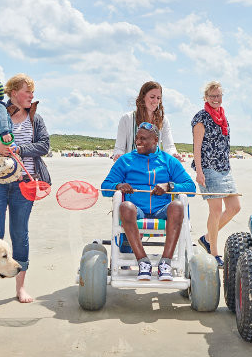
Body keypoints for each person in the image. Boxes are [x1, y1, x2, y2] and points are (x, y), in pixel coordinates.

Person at [0, 73, 51, 303]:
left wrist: (20, 150)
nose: (32, 96)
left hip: (24, 184)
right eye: (28, 91)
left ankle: (20, 288)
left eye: (32, 92)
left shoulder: (36, 119)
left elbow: (44, 146)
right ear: (13, 92)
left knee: (19, 233)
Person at [102, 122, 197, 280]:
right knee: (125, 206)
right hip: (136, 210)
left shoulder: (169, 161)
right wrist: (118, 185)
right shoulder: (125, 160)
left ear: (155, 140)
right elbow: (105, 187)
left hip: (162, 209)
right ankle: (143, 262)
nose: (138, 142)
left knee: (178, 206)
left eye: (143, 139)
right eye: (137, 138)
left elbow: (191, 188)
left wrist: (169, 186)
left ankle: (165, 263)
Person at [190, 81, 240, 266]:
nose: (216, 99)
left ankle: (206, 238)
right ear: (206, 97)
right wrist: (200, 172)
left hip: (225, 169)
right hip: (208, 168)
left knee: (235, 207)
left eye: (219, 95)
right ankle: (214, 253)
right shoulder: (201, 118)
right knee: (216, 211)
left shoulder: (223, 117)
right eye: (212, 96)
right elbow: (197, 147)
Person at [112, 81, 180, 161]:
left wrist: (174, 155)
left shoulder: (163, 120)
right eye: (152, 97)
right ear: (143, 97)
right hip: (131, 169)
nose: (155, 101)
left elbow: (169, 146)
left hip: (153, 169)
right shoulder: (127, 118)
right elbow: (119, 148)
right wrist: (118, 155)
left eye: (158, 98)